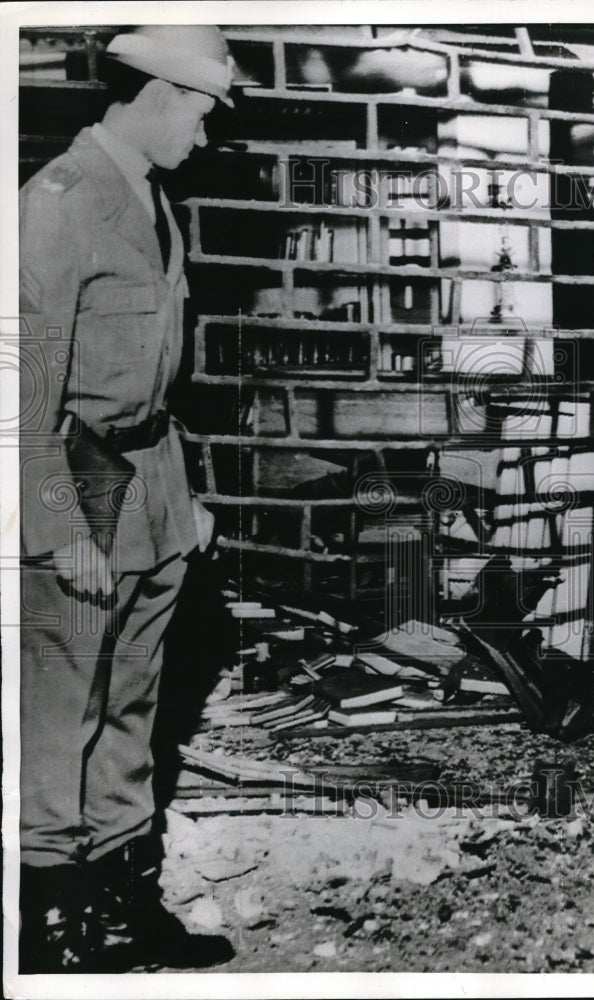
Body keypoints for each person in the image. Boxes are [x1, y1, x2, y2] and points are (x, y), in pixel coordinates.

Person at [18, 25, 236, 972]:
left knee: (134, 697)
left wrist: (186, 501)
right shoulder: (55, 204)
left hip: (149, 472)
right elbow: (22, 389)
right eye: (200, 109)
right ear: (152, 93)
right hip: (78, 467)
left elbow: (158, 382)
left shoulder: (153, 199)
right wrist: (63, 527)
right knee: (62, 704)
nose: (206, 133)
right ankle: (49, 921)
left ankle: (119, 894)